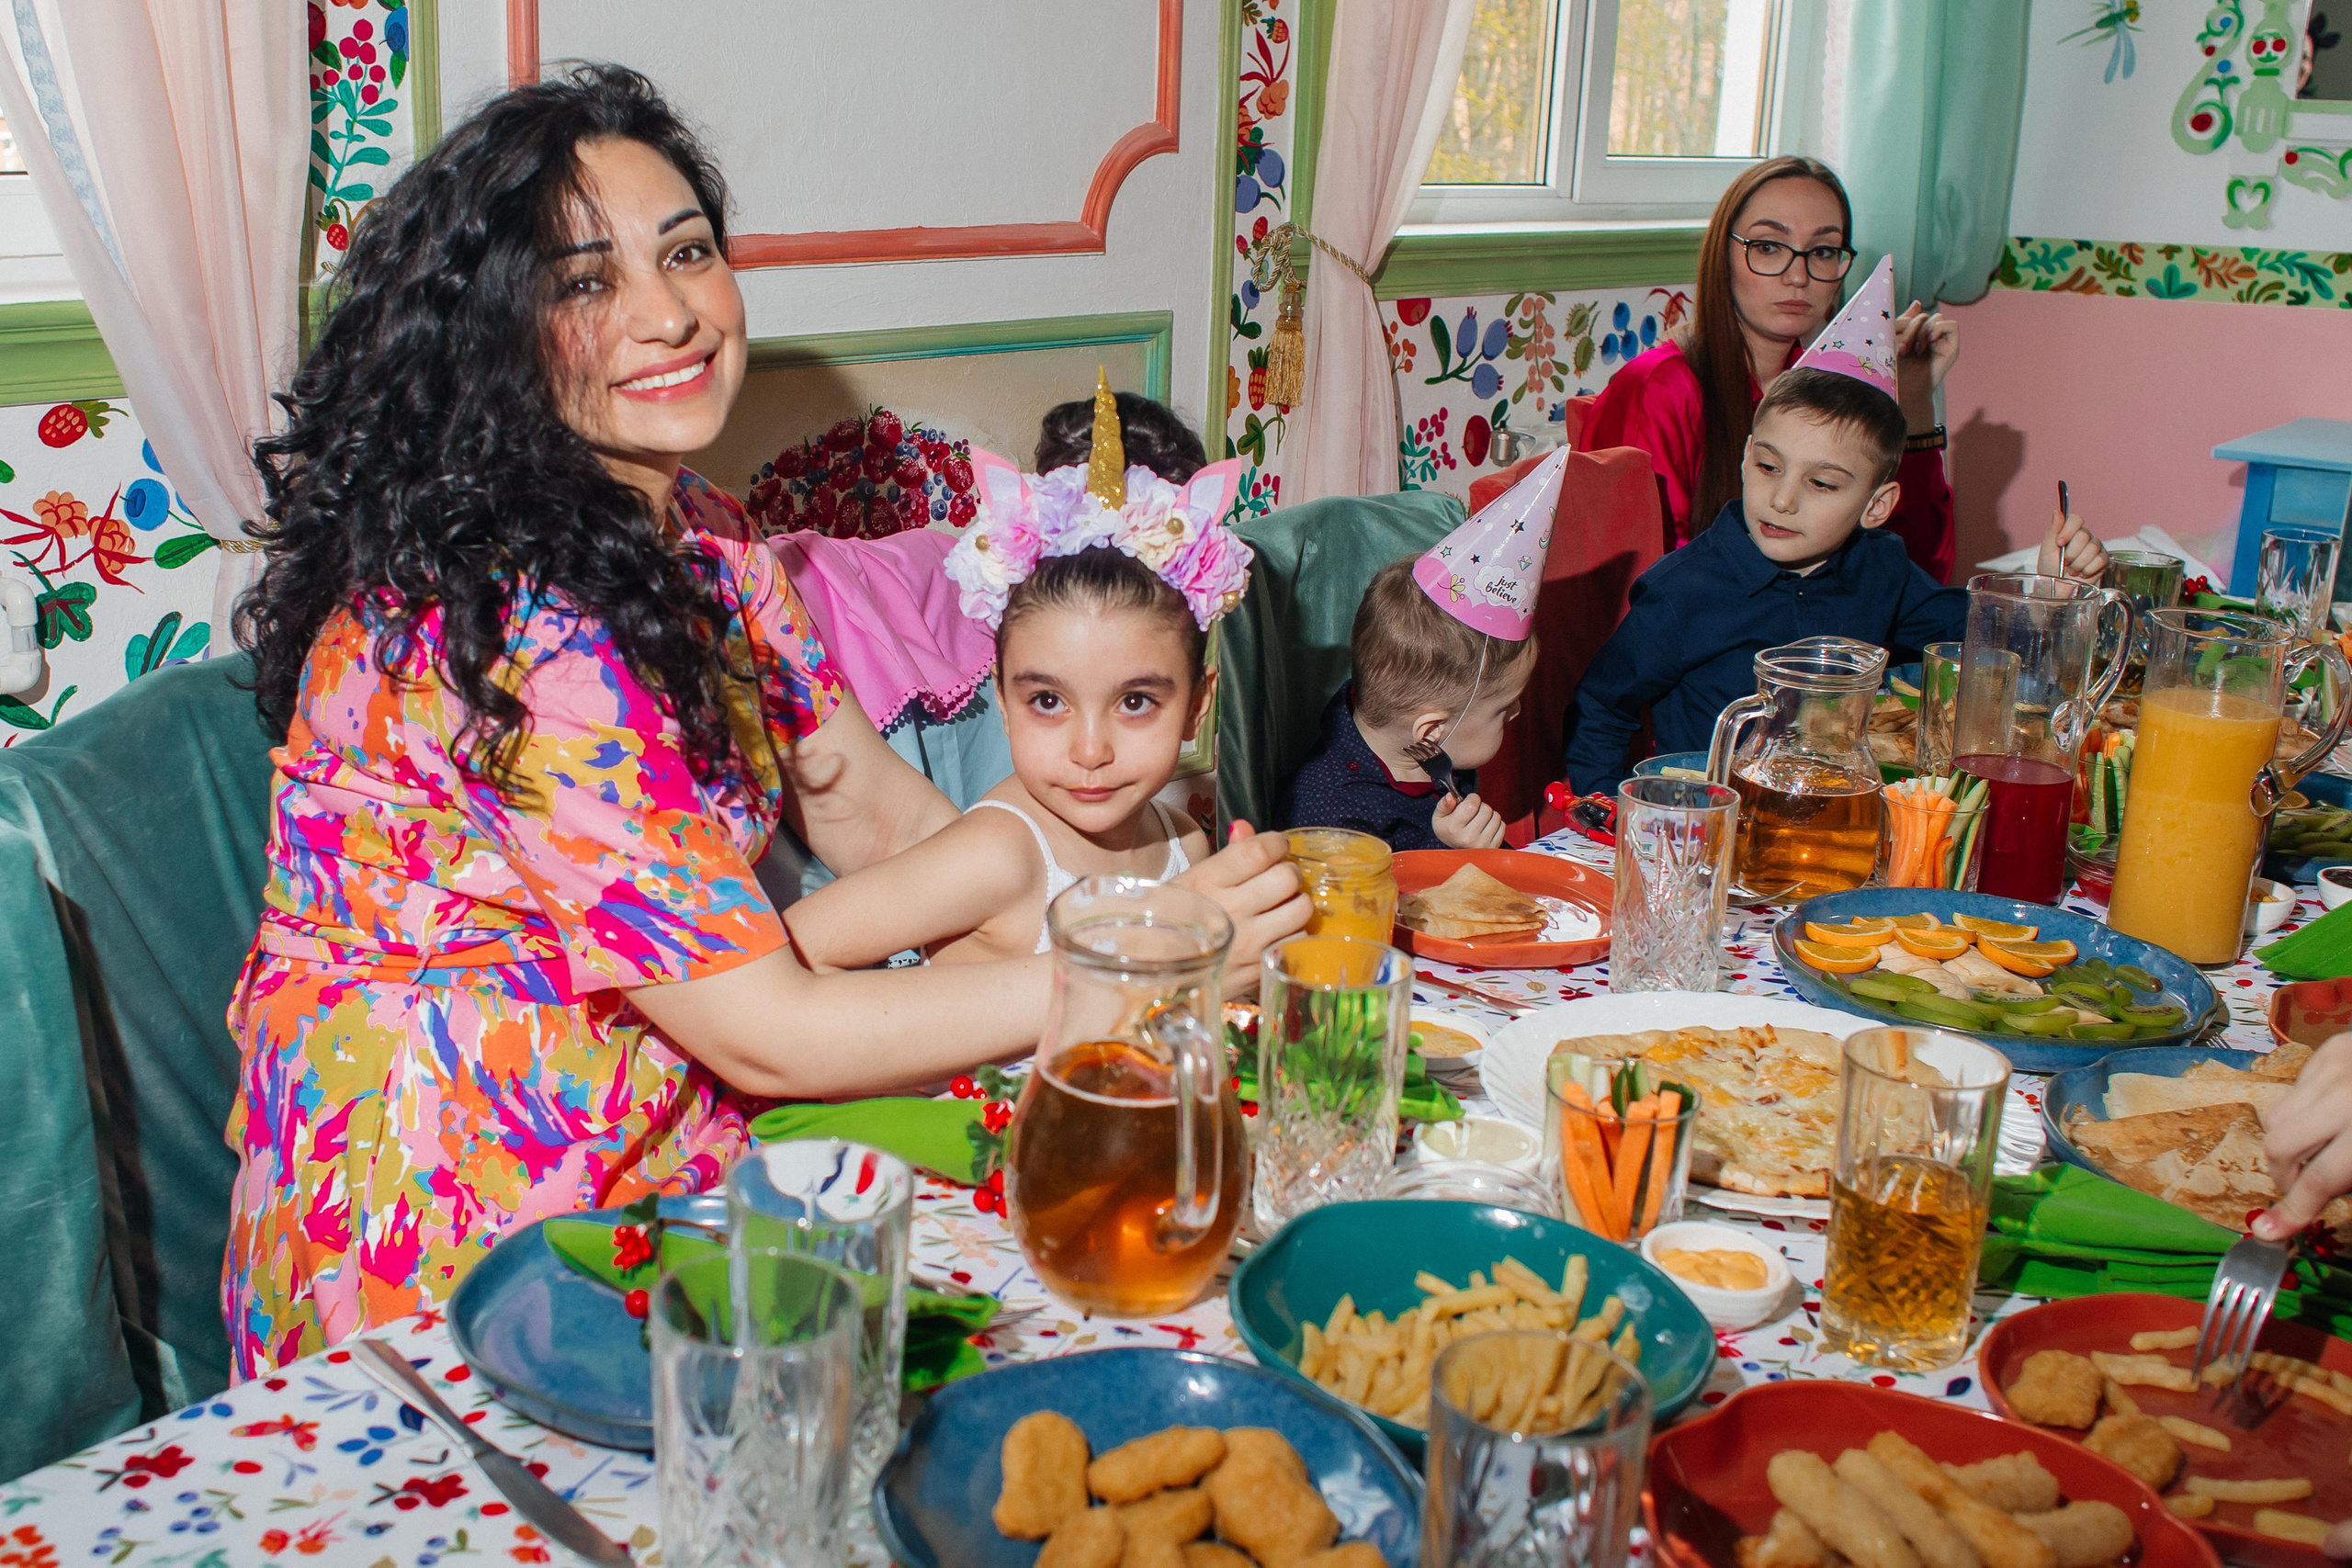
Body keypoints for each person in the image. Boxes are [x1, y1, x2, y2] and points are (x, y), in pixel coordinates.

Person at [224, 67, 1302, 1374]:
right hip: (465, 1214)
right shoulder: (524, 623)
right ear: (489, 332)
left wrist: (1118, 906)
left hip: (663, 1128)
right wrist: (1142, 974)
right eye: (586, 281)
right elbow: (770, 1028)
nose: (670, 312)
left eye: (687, 253)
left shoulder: (704, 536)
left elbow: (861, 797)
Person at [1560, 262, 2105, 801]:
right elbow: (1603, 708)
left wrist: (2049, 603)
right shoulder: (1683, 592)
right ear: (1747, 457)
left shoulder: (1882, 567)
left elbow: (1974, 640)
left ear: (1876, 505)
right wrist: (1609, 814)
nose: (1782, 499)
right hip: (1717, 828)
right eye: (1770, 467)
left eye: (1821, 483)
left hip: (1839, 817)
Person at [784, 387, 1258, 964]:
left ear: (1197, 705)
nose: (1089, 751)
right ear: (1003, 701)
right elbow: (785, 963)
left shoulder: (1185, 842)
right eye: (1048, 701)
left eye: (1135, 702)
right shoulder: (997, 855)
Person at [1579, 155, 1961, 582]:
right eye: (1767, 247)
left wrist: (1913, 401)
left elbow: (1917, 579)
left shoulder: (1827, 389)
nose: (1798, 276)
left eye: (1822, 252)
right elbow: (1641, 591)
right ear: (1722, 255)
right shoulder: (1660, 386)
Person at [1277, 448, 1566, 852]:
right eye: (1504, 708)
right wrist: (1449, 850)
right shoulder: (1327, 813)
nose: (1517, 713)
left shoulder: (1436, 757)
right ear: (1431, 731)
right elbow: (1361, 911)